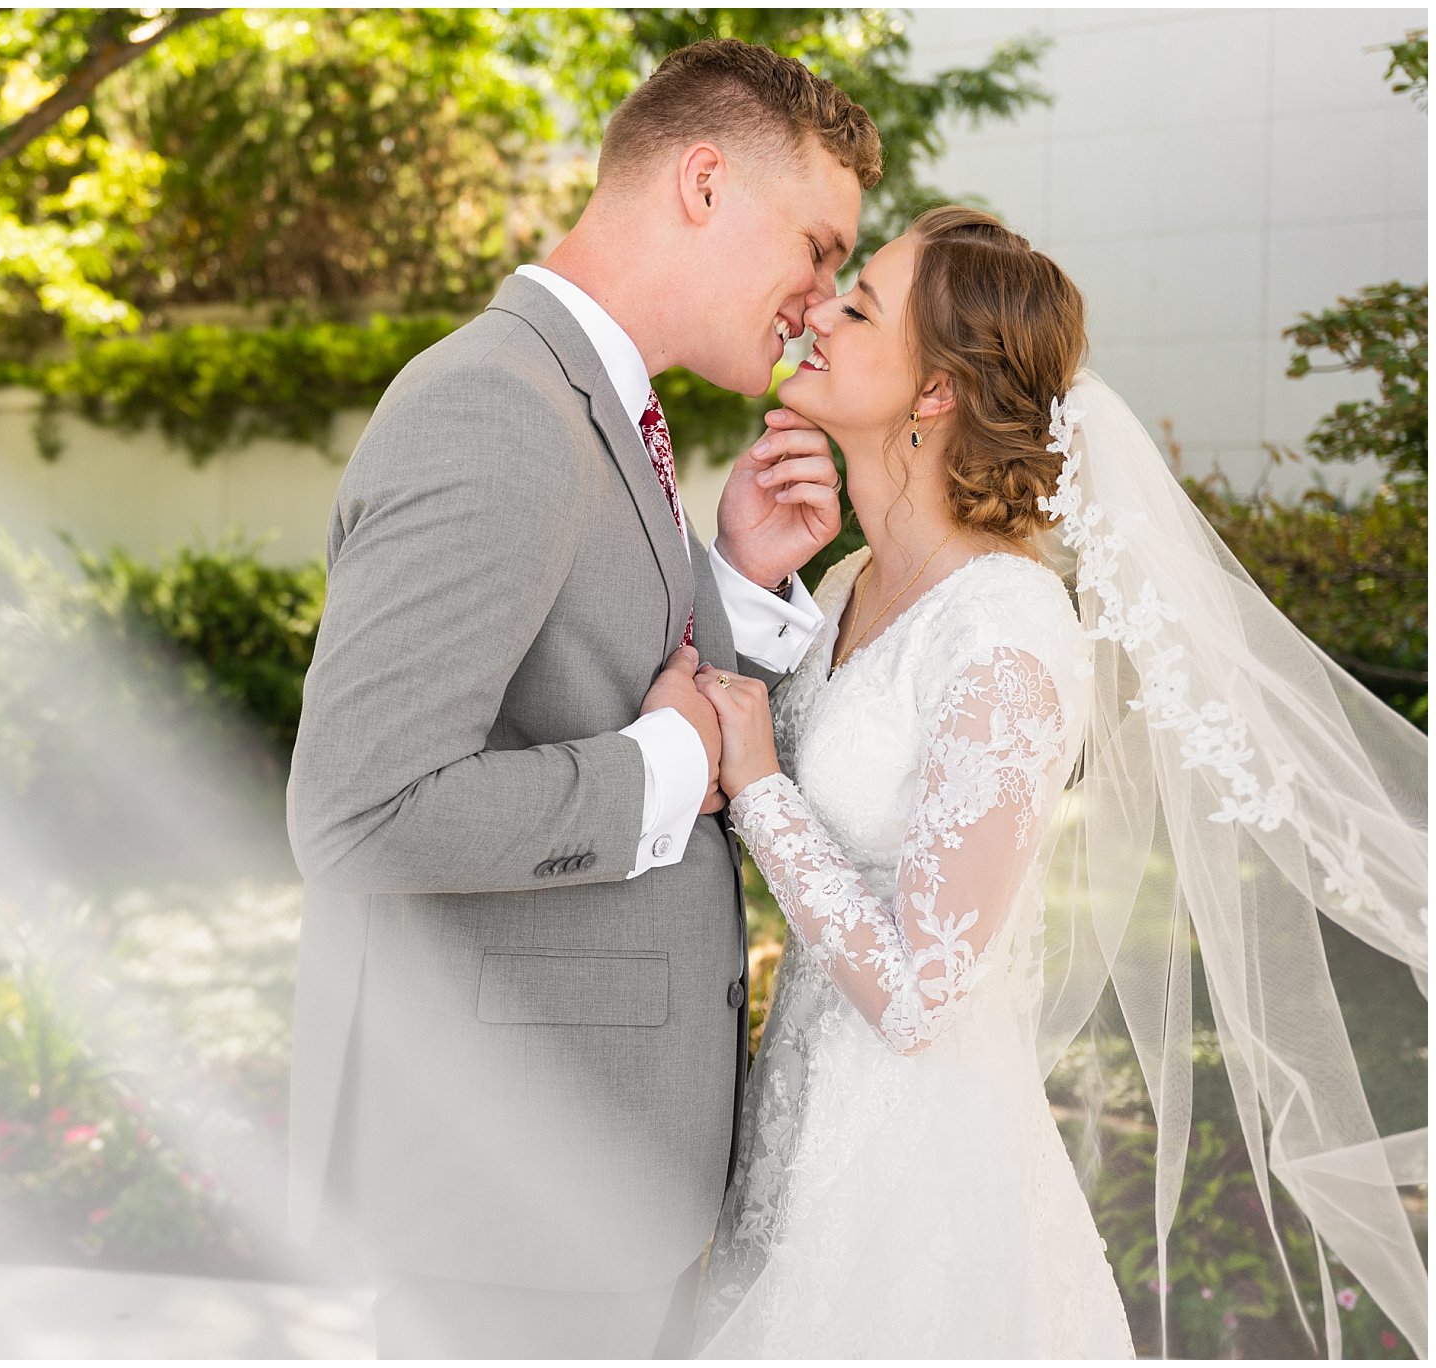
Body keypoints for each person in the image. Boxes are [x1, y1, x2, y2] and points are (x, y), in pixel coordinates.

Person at [688, 206, 1428, 1358]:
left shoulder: (1009, 636)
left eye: (859, 303)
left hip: (910, 1169)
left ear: (932, 393)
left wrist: (762, 784)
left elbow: (922, 993)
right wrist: (747, 582)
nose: (818, 311)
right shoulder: (838, 585)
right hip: (798, 1110)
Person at [283, 40, 877, 1358]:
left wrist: (726, 578)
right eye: (821, 248)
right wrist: (673, 762)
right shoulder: (496, 404)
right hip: (517, 1197)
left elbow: (572, 675)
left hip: (598, 1175)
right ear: (707, 183)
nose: (819, 300)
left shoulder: (593, 399)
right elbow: (359, 810)